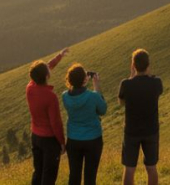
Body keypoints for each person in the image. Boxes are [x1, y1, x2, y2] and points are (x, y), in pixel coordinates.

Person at [119, 49, 163, 185]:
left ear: (133, 65)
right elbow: (158, 92)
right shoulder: (156, 82)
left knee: (129, 168)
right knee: (151, 167)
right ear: (148, 64)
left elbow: (121, 102)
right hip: (151, 130)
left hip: (131, 131)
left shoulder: (126, 84)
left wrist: (131, 76)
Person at [26, 47, 69, 185]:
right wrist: (62, 142)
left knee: (37, 172)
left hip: (35, 137)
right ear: (46, 76)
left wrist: (59, 57)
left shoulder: (30, 88)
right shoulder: (50, 97)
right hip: (49, 140)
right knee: (48, 176)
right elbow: (56, 123)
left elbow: (44, 69)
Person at [63, 63, 108, 185]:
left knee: (74, 176)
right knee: (90, 176)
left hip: (73, 140)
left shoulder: (65, 96)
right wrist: (96, 86)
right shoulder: (93, 96)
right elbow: (103, 110)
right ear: (85, 79)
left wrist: (82, 82)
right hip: (93, 139)